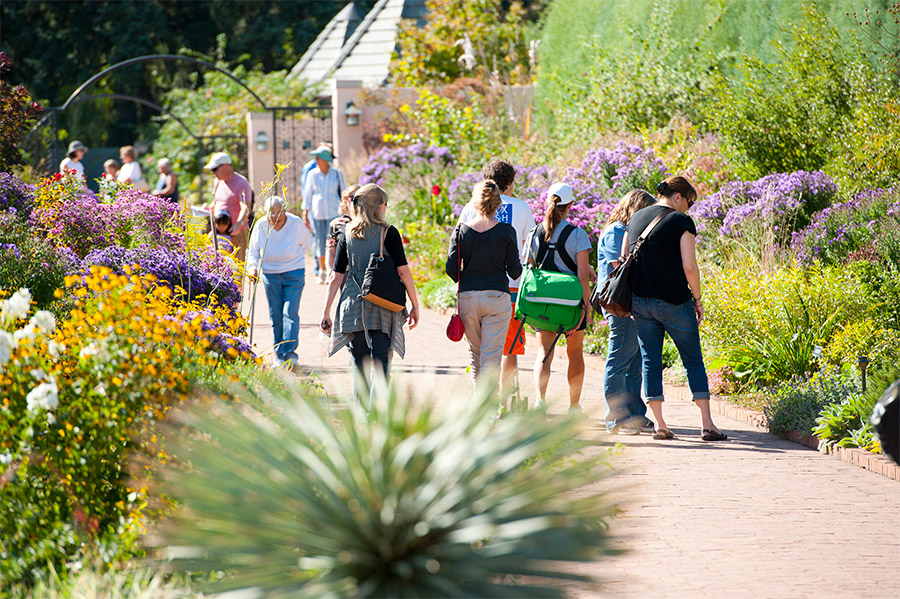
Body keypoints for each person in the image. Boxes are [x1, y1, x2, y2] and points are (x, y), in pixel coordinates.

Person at [625, 176, 726, 441]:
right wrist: (698, 299)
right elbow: (689, 267)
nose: (688, 208)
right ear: (678, 196)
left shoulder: (635, 218)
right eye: (689, 202)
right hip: (675, 302)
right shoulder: (681, 222)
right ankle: (707, 424)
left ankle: (660, 424)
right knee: (692, 359)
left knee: (651, 361)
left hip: (641, 302)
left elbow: (624, 259)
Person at [321, 183, 420, 400]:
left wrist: (326, 311)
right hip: (384, 305)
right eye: (385, 204)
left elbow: (336, 277)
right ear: (377, 207)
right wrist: (415, 304)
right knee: (382, 365)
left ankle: (362, 419)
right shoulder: (389, 233)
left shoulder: (347, 234)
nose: (386, 209)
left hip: (352, 306)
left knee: (360, 367)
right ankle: (375, 416)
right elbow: (403, 273)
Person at [458, 159, 535, 397]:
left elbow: (458, 245)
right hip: (510, 287)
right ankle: (505, 400)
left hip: (473, 286)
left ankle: (481, 397)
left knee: (480, 349)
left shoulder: (471, 207)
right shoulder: (521, 207)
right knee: (508, 349)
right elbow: (529, 248)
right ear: (510, 183)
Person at [446, 180, 523, 395]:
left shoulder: (461, 230)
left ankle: (479, 409)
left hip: (468, 297)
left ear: (474, 204)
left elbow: (451, 270)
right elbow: (515, 271)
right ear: (498, 205)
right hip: (496, 297)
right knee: (491, 357)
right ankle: (489, 410)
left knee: (476, 354)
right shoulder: (506, 231)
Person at [525, 182, 592, 415]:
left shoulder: (534, 233)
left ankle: (540, 401)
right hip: (571, 305)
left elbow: (531, 268)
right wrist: (587, 308)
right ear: (570, 205)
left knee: (543, 353)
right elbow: (582, 276)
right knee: (575, 354)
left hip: (543, 303)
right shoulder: (578, 234)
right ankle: (574, 406)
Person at [597, 189, 657, 435]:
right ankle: (617, 418)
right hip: (620, 305)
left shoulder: (625, 231)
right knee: (619, 360)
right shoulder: (616, 231)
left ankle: (634, 415)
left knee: (633, 363)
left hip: (632, 305)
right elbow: (619, 267)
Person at [246, 196, 313, 368]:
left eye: (278, 212)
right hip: (270, 274)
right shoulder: (261, 225)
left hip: (294, 272)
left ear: (285, 211)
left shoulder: (295, 223)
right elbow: (253, 252)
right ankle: (279, 354)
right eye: (271, 213)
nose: (275, 217)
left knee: (289, 312)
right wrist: (253, 268)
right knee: (275, 315)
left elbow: (307, 244)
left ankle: (290, 354)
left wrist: (291, 259)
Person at [302, 145, 346, 285]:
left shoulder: (337, 174)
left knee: (335, 242)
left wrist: (346, 212)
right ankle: (322, 270)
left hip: (334, 213)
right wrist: (305, 213)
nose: (316, 161)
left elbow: (344, 193)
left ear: (326, 160)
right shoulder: (312, 174)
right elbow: (307, 195)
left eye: (319, 158)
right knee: (320, 242)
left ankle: (334, 270)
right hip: (318, 213)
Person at [203, 152, 254, 264]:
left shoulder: (241, 183)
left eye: (215, 169)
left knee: (236, 267)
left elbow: (246, 206)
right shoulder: (217, 182)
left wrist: (239, 223)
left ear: (226, 166)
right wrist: (207, 209)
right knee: (217, 266)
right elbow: (217, 203)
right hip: (218, 231)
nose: (214, 173)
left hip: (235, 232)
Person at [326, 183, 359, 275]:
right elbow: (331, 251)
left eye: (359, 197)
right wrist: (330, 270)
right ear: (345, 201)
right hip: (343, 272)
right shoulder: (336, 224)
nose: (355, 201)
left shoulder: (369, 222)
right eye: (352, 197)